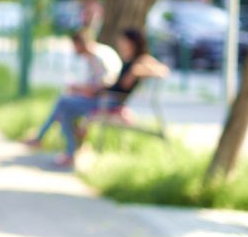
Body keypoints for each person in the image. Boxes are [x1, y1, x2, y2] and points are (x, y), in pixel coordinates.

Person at [24, 28, 169, 168]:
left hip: (110, 102)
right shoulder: (128, 59)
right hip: (104, 96)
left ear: (133, 42)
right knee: (65, 108)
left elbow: (163, 70)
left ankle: (52, 143)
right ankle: (67, 150)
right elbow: (114, 84)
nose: (121, 44)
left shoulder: (141, 59)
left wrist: (137, 71)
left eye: (123, 41)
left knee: (63, 103)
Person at [66, 27, 122, 98]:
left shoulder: (99, 56)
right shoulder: (91, 57)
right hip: (99, 93)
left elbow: (107, 81)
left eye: (75, 45)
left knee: (65, 101)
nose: (74, 48)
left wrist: (83, 89)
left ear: (80, 44)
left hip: (105, 96)